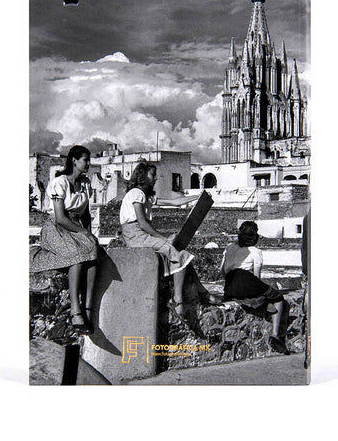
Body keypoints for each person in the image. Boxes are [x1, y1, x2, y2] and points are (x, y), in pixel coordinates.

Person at [119, 160, 219, 316]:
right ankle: (178, 299)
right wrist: (163, 239)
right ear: (142, 176)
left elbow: (174, 202)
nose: (155, 178)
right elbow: (142, 224)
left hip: (139, 234)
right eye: (152, 175)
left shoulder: (144, 195)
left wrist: (197, 197)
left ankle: (202, 291)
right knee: (176, 252)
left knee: (180, 254)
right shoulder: (136, 193)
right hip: (136, 235)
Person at [30, 145, 99, 335]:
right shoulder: (59, 183)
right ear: (74, 160)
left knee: (93, 254)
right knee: (76, 254)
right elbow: (60, 217)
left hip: (75, 227)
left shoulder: (85, 184)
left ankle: (87, 308)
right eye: (85, 159)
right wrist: (84, 234)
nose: (88, 163)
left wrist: (90, 236)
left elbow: (85, 215)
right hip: (56, 227)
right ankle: (75, 311)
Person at [221, 221, 290, 355]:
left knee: (251, 295)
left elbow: (222, 271)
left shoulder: (229, 248)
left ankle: (261, 304)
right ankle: (276, 335)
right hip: (247, 282)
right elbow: (256, 277)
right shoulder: (255, 252)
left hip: (229, 287)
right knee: (278, 297)